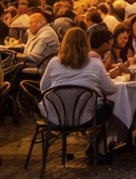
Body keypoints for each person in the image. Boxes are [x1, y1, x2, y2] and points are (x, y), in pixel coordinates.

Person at [38, 27, 116, 156]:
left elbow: (43, 87)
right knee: (109, 106)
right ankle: (96, 145)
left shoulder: (53, 63)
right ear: (86, 44)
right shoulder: (95, 64)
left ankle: (94, 144)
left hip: (56, 116)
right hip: (86, 118)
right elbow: (110, 89)